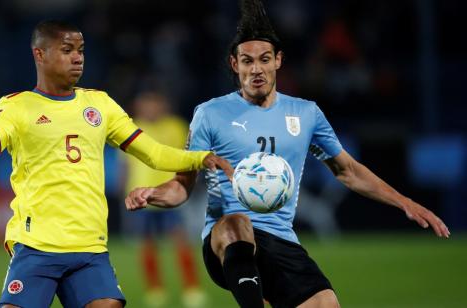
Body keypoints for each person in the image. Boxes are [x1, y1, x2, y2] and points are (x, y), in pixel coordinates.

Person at [124, 1, 451, 307]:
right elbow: (183, 185)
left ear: (278, 60)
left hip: (281, 239)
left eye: (265, 59)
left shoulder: (306, 113)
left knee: (325, 303)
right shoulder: (210, 114)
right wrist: (154, 193)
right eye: (248, 61)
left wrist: (404, 202)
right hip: (226, 243)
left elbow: (347, 171)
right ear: (234, 64)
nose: (257, 69)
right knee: (236, 223)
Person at [0, 20, 232, 308]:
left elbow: (153, 153)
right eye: (67, 50)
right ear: (40, 53)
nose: (78, 58)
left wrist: (200, 157)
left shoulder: (100, 104)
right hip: (36, 246)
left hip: (89, 248)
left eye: (81, 50)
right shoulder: (15, 107)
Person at [121, 91, 206, 307]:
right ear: (139, 104)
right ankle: (155, 290)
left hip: (169, 196)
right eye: (146, 102)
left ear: (163, 103)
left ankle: (192, 289)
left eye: (154, 101)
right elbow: (126, 165)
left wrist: (188, 187)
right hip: (141, 198)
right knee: (146, 247)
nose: (150, 107)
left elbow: (186, 159)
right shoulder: (131, 127)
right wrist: (124, 193)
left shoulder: (176, 126)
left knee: (181, 244)